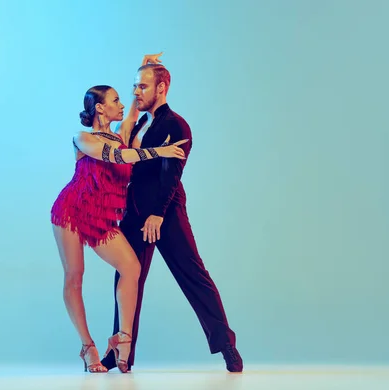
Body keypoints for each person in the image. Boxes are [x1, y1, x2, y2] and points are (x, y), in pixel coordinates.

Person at [100, 62, 244, 372]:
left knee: (193, 275)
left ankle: (227, 347)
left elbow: (171, 174)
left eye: (143, 86)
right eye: (135, 86)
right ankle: (118, 353)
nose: (137, 91)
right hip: (134, 212)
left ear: (161, 88)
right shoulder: (140, 125)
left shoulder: (177, 126)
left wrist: (158, 214)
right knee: (126, 278)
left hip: (166, 212)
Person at [50, 55, 188, 373]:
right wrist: (160, 151)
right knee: (74, 277)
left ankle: (123, 341)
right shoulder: (83, 138)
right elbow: (118, 155)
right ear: (100, 108)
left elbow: (134, 110)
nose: (123, 103)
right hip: (72, 211)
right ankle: (88, 348)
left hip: (102, 217)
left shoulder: (121, 132)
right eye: (115, 100)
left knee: (131, 267)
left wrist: (145, 65)